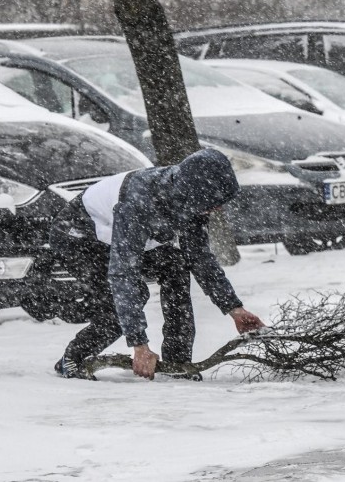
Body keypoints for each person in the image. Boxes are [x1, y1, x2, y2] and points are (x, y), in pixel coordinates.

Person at [50, 148, 265, 380]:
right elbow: (123, 273)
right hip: (79, 239)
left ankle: (177, 361)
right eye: (215, 202)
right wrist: (139, 344)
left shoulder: (191, 200)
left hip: (121, 238)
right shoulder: (138, 204)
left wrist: (234, 308)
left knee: (176, 265)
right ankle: (73, 358)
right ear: (197, 193)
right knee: (125, 300)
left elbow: (200, 259)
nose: (218, 208)